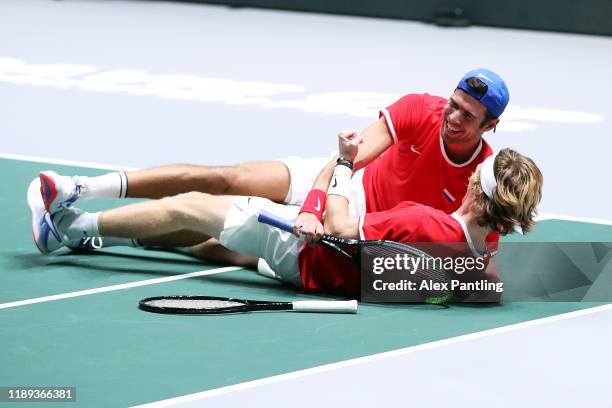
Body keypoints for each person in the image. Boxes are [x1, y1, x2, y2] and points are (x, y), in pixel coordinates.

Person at [32, 68, 510, 265]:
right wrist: (316, 204)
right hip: (345, 187)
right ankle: (80, 188)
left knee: (220, 245)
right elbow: (345, 160)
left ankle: (105, 234)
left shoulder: (480, 181)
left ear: (490, 126)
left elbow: (473, 257)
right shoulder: (418, 110)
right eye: (453, 104)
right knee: (225, 180)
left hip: (360, 230)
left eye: (467, 116)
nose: (452, 117)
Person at [29, 130, 543, 300]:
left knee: (190, 206)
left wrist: (340, 168)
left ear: (480, 188)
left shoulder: (430, 223)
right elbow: (482, 284)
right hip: (324, 279)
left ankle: (70, 228)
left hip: (304, 250)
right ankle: (105, 239)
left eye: (483, 171)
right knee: (206, 237)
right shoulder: (484, 251)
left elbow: (342, 225)